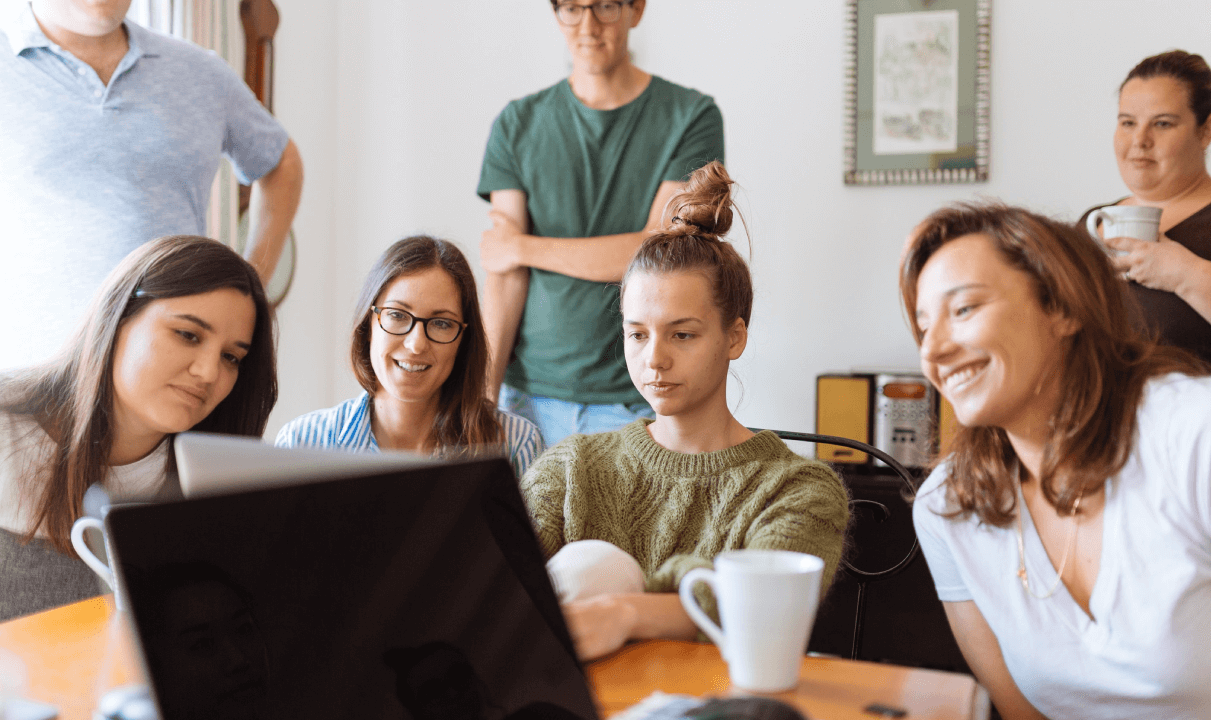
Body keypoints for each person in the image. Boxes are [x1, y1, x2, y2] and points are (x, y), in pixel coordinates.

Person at [903, 203, 1211, 719]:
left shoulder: (1210, 431)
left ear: (1062, 308)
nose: (935, 350)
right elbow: (1023, 714)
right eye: (924, 327)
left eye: (964, 309)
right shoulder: (947, 506)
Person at [519, 162, 849, 662]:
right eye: (637, 334)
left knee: (600, 567)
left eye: (683, 334)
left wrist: (625, 613)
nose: (654, 359)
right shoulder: (569, 470)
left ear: (734, 336)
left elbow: (766, 612)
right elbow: (493, 593)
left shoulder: (798, 489)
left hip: (721, 708)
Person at [0, 0, 304, 371]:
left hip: (177, 376)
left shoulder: (199, 71)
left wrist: (251, 285)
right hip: (25, 378)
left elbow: (282, 163)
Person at [477, 0, 724, 445]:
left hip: (636, 398)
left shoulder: (691, 116)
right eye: (571, 7)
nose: (587, 25)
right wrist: (483, 397)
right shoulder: (516, 123)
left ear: (636, 9)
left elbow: (656, 252)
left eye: (605, 6)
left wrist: (523, 246)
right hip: (526, 401)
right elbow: (504, 272)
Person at [0, 236, 277, 622]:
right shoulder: (6, 424)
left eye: (231, 357)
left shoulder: (215, 479)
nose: (209, 372)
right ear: (117, 317)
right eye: (187, 335)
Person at [1082, 50, 1211, 389]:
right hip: (1104, 436)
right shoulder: (1093, 221)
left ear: (1206, 131)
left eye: (1162, 123)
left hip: (1210, 437)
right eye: (1127, 122)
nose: (1139, 141)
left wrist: (1182, 273)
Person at [275, 237, 543, 478]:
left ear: (463, 341)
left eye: (441, 323)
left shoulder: (516, 444)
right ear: (368, 325)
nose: (416, 345)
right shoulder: (301, 444)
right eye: (397, 315)